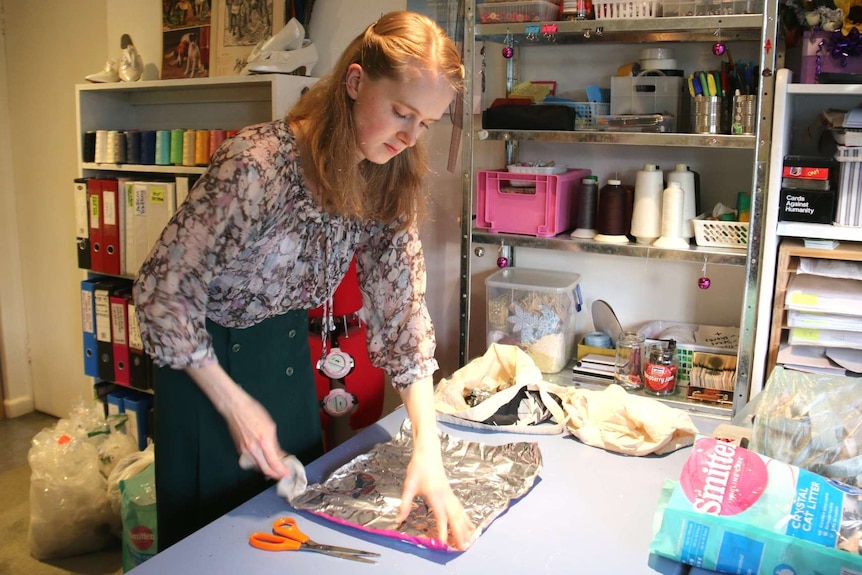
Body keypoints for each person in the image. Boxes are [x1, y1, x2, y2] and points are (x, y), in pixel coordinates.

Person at [133, 10, 474, 551]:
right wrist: (232, 404)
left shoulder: (385, 176)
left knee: (288, 533)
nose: (410, 137)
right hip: (205, 372)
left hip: (289, 366)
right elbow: (161, 292)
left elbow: (403, 311)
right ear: (356, 81)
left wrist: (426, 452)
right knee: (209, 549)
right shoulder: (257, 165)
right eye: (401, 113)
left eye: (426, 124)